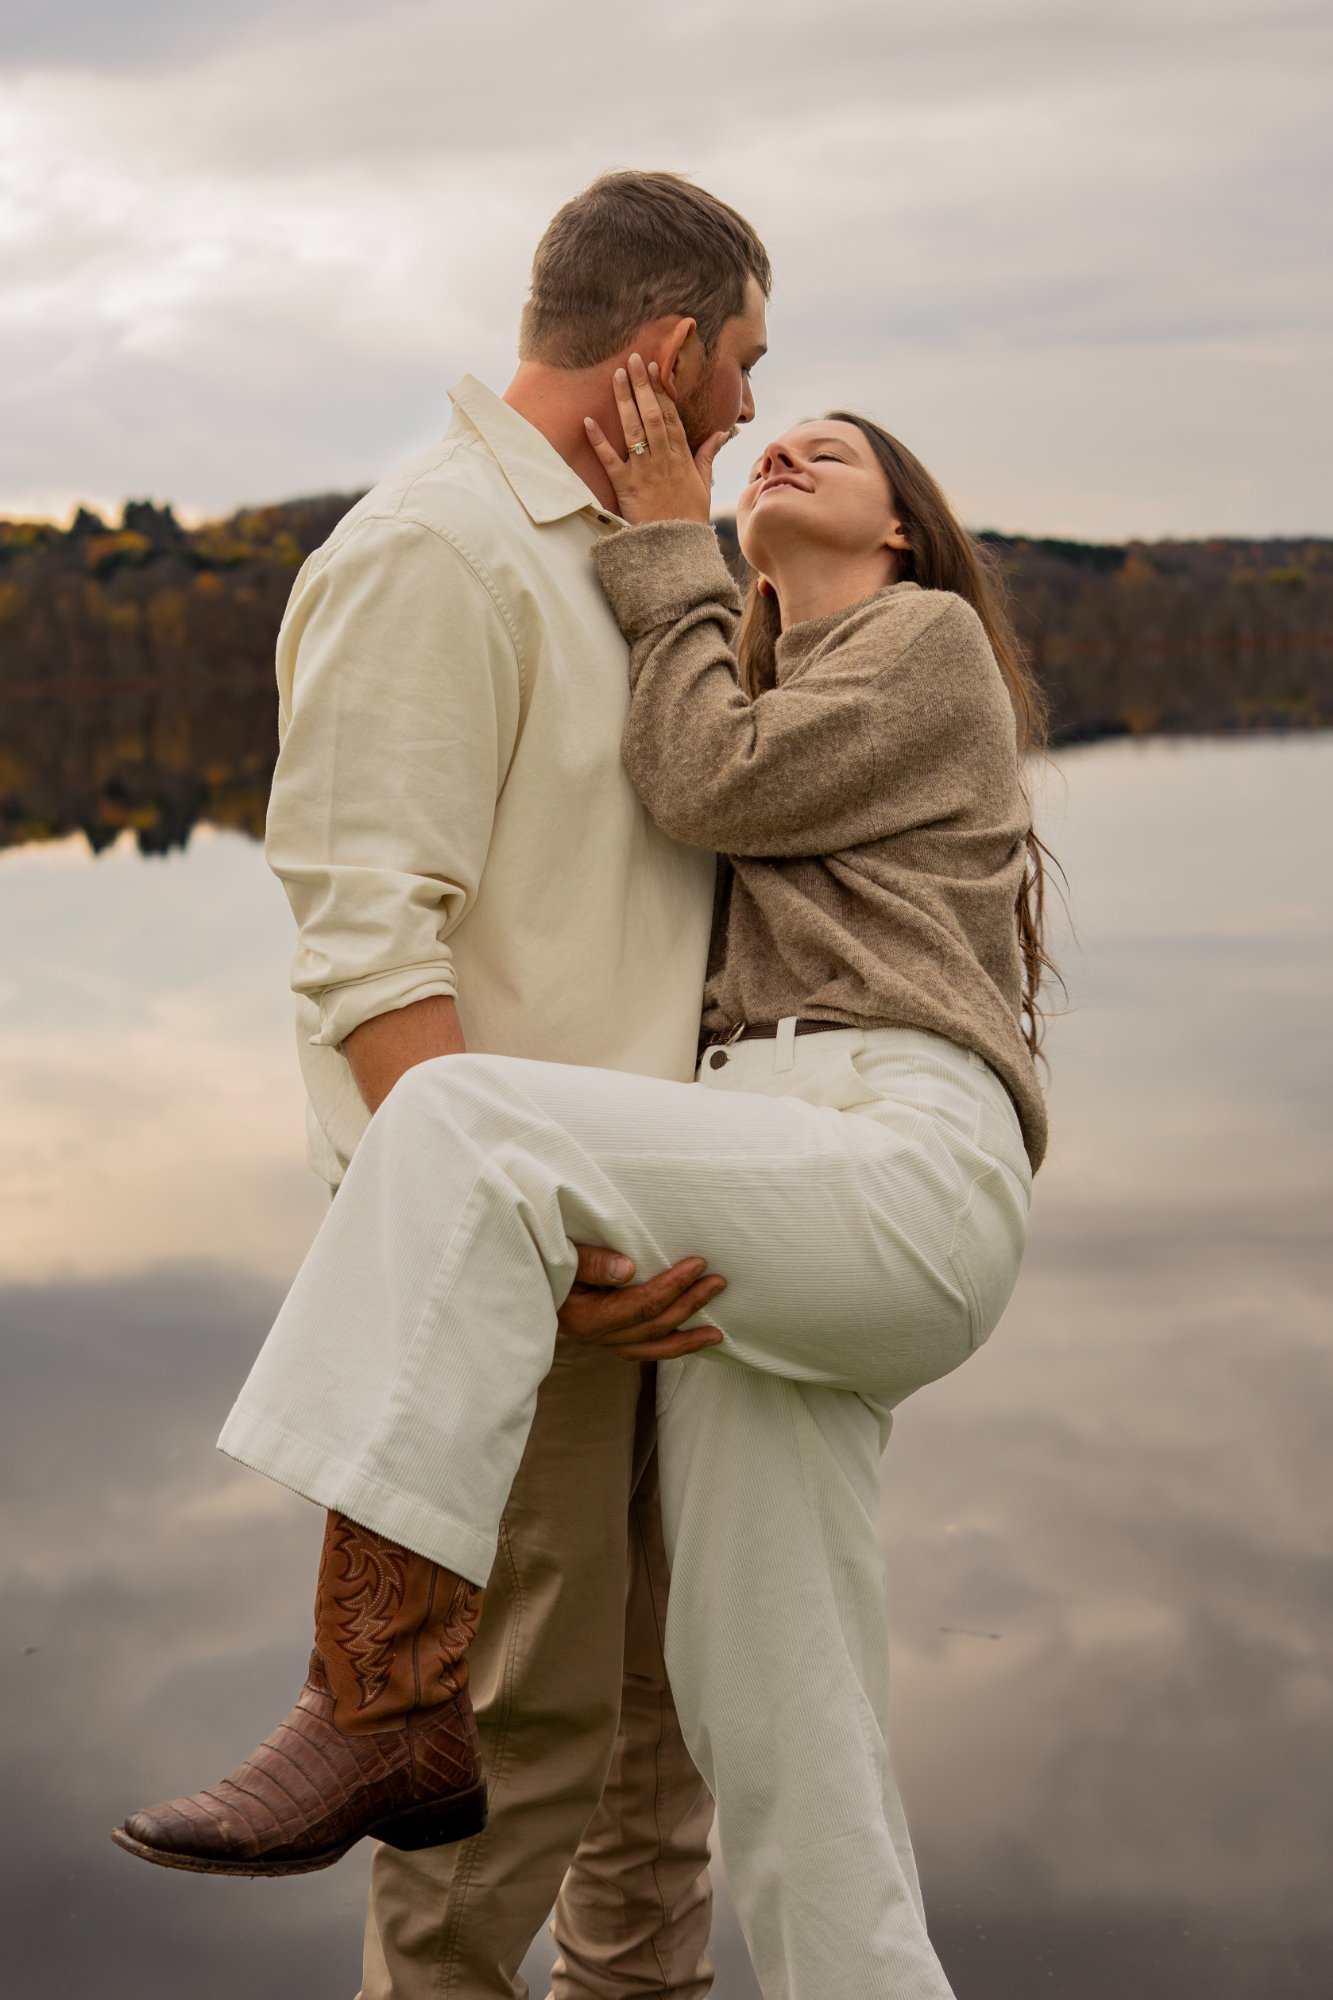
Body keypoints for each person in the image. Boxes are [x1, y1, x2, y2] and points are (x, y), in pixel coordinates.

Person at [113, 338, 1057, 1996]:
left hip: (894, 1158)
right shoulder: (754, 672)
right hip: (769, 1187)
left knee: (460, 1122)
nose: (775, 440)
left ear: (904, 529)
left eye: (824, 446)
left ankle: (375, 1697)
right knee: (776, 1728)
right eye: (763, 410)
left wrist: (662, 547)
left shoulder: (922, 646)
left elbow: (699, 776)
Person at [114, 172, 775, 2000]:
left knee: (667, 1733)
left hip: (671, 1249)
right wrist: (543, 1253)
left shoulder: (626, 552)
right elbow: (367, 958)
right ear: (663, 346)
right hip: (527, 1269)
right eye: (741, 363)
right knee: (507, 1757)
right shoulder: (432, 551)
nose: (745, 408)